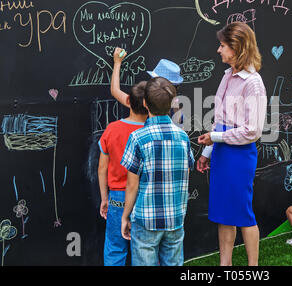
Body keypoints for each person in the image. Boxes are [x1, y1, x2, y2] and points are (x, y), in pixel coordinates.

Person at [196, 22, 267, 266]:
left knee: (243, 214)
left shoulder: (253, 83)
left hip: (239, 156)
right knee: (223, 214)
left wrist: (214, 140)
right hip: (222, 152)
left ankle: (252, 268)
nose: (219, 50)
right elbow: (220, 121)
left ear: (238, 48)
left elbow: (253, 131)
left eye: (223, 45)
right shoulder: (227, 76)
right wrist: (207, 152)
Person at [120, 77, 194, 266]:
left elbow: (131, 185)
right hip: (175, 217)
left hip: (146, 219)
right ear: (171, 104)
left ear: (145, 103)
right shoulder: (183, 137)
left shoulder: (137, 138)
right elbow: (187, 171)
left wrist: (125, 216)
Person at [97, 79, 148, 265]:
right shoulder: (150, 131)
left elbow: (102, 168)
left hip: (117, 197)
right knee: (144, 249)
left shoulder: (112, 129)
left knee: (114, 247)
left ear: (128, 102)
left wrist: (105, 198)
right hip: (145, 197)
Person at [110, 47, 184, 127]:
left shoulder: (145, 100)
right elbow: (181, 130)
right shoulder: (176, 107)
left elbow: (115, 91)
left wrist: (117, 63)